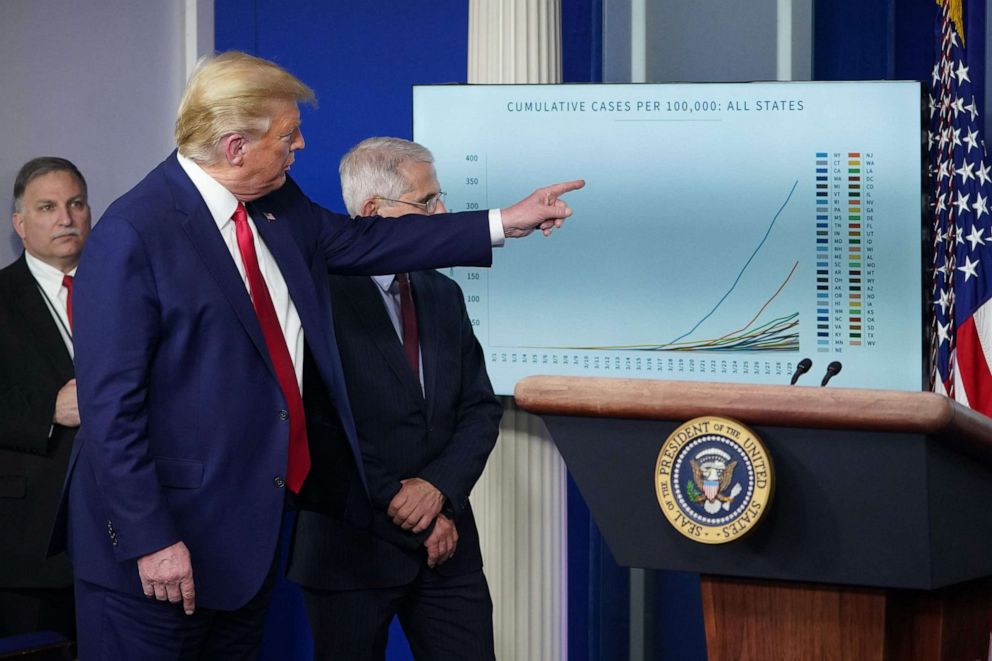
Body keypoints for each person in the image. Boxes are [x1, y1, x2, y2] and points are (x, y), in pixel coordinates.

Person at [58, 51, 581, 659]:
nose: (301, 144)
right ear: (234, 147)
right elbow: (110, 411)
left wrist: (503, 221)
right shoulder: (134, 233)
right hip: (156, 552)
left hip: (241, 543)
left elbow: (366, 239)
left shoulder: (278, 205)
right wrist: (151, 539)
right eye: (287, 135)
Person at [288, 138, 501, 660]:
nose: (443, 213)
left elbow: (479, 407)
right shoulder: (315, 297)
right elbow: (319, 425)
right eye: (427, 202)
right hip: (351, 551)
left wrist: (438, 491)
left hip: (449, 548)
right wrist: (408, 508)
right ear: (372, 212)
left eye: (439, 197)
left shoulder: (441, 291)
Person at [0, 157, 91, 639]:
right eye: (48, 206)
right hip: (28, 543)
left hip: (124, 539)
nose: (66, 217)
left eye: (76, 203)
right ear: (20, 224)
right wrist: (48, 412)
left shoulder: (128, 291)